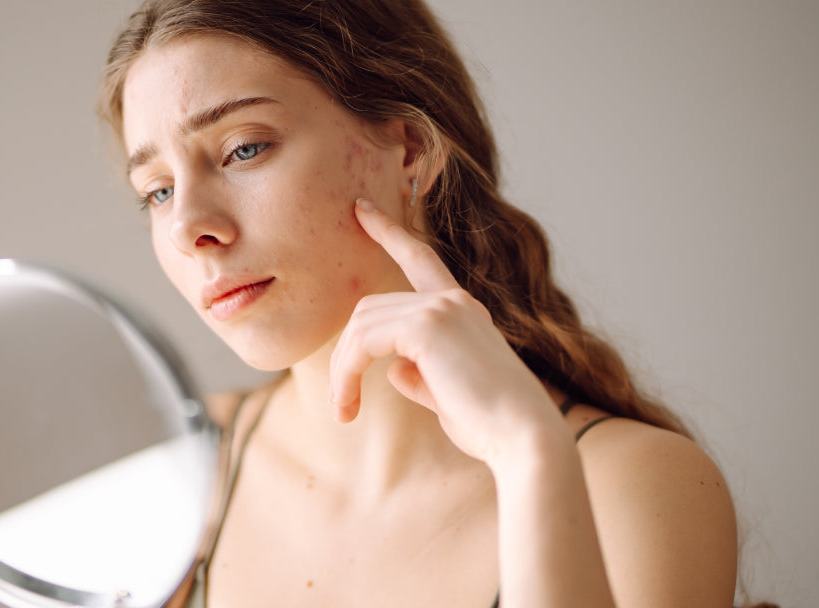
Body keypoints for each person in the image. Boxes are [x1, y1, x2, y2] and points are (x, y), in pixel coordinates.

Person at [96, 1, 766, 606]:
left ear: (409, 149)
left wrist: (529, 455)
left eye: (244, 148)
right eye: (156, 190)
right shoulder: (180, 471)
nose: (189, 229)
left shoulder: (633, 488)